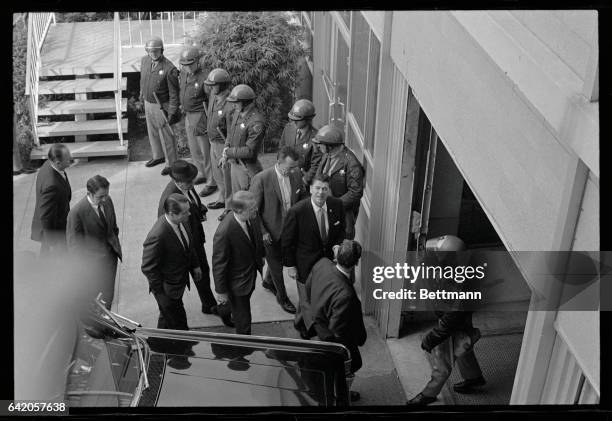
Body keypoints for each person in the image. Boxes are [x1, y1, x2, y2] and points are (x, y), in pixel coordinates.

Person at [407, 235, 485, 406]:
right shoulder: (461, 261)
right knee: (463, 345)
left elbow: (450, 322)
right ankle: (474, 378)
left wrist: (431, 339)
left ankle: (429, 394)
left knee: (441, 360)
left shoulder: (459, 282)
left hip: (452, 320)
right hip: (460, 316)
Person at [156, 160, 235, 327]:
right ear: (177, 181)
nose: (192, 184)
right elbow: (167, 228)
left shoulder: (185, 188)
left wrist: (200, 210)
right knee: (180, 287)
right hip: (184, 249)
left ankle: (208, 304)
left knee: (203, 273)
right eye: (189, 181)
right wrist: (190, 257)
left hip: (195, 241)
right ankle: (165, 324)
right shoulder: (170, 198)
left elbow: (192, 204)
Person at [281, 173, 345, 339]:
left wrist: (338, 246)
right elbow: (287, 241)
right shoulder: (297, 211)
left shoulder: (337, 205)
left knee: (322, 297)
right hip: (305, 265)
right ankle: (308, 328)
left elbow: (341, 231)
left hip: (329, 265)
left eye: (324, 189)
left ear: (329, 190)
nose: (320, 192)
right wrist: (290, 265)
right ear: (310, 189)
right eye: (317, 188)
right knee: (307, 299)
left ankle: (303, 321)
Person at [249, 147, 308, 314]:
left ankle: (268, 282)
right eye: (289, 167)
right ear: (279, 162)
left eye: (295, 167)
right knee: (276, 266)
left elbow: (302, 196)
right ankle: (282, 297)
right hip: (271, 233)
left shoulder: (296, 174)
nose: (293, 170)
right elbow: (253, 210)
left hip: (291, 230)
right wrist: (263, 232)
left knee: (282, 260)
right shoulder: (261, 179)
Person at [307, 240, 367, 402]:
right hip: (332, 340)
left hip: (317, 325)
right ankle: (340, 396)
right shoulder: (346, 294)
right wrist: (358, 339)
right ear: (356, 263)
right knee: (351, 365)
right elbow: (337, 330)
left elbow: (308, 287)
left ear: (336, 255)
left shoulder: (322, 264)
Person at [142, 194, 202, 330]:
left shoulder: (182, 222)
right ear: (171, 214)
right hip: (168, 289)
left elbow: (189, 246)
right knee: (178, 322)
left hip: (178, 283)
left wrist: (195, 265)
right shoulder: (158, 235)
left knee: (168, 317)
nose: (189, 214)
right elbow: (148, 267)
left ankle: (159, 342)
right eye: (185, 212)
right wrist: (162, 294)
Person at [212, 191, 265, 335]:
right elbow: (218, 264)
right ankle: (244, 343)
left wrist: (261, 256)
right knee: (243, 317)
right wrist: (221, 291)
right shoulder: (224, 232)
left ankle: (224, 310)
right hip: (237, 282)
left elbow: (256, 238)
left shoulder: (251, 216)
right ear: (239, 210)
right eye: (252, 208)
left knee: (236, 306)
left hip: (250, 273)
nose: (256, 210)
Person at [66, 175, 122, 309]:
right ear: (89, 193)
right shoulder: (76, 214)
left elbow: (113, 227)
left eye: (106, 195)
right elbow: (74, 248)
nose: (104, 200)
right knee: (95, 304)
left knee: (108, 298)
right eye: (100, 197)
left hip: (110, 260)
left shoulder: (107, 201)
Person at [178, 46, 217, 195]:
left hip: (200, 115)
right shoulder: (183, 74)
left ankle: (211, 181)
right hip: (188, 115)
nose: (187, 68)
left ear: (197, 62)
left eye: (190, 64)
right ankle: (201, 172)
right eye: (184, 65)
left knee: (205, 150)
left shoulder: (205, 77)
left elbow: (211, 100)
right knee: (194, 149)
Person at [313, 125, 364, 240]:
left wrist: (334, 204)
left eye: (320, 144)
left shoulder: (351, 163)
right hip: (324, 210)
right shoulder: (327, 155)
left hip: (343, 215)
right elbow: (319, 176)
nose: (318, 146)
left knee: (341, 245)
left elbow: (355, 192)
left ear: (329, 146)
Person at [140, 37, 180, 175]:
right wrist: (142, 96)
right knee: (152, 132)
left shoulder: (170, 69)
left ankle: (171, 162)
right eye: (150, 51)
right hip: (148, 102)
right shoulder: (144, 61)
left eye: (156, 51)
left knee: (166, 135)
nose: (153, 54)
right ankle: (158, 156)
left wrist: (172, 112)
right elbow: (143, 79)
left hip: (161, 104)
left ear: (161, 50)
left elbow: (174, 93)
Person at [221, 84, 265, 194]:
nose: (233, 105)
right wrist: (226, 148)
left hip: (246, 167)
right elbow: (230, 134)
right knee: (237, 198)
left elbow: (249, 151)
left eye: (236, 102)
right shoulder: (237, 113)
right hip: (235, 164)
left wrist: (228, 152)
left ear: (245, 103)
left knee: (248, 200)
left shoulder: (256, 123)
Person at [30, 143, 72, 256]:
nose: (71, 159)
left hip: (56, 224)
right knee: (57, 261)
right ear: (58, 162)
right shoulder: (51, 185)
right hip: (55, 232)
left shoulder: (49, 163)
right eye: (68, 159)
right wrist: (52, 242)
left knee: (47, 258)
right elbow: (46, 216)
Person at [203, 68, 234, 209]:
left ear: (222, 85)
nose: (210, 87)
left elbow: (232, 131)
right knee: (217, 175)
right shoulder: (213, 97)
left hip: (223, 144)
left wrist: (226, 151)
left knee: (226, 176)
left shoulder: (230, 104)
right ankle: (222, 199)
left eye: (213, 85)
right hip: (213, 141)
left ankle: (229, 206)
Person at [280, 99, 320, 185]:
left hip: (302, 180)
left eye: (297, 120)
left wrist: (304, 180)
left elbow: (315, 165)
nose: (294, 122)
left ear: (308, 119)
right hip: (285, 175)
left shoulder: (316, 138)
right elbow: (281, 149)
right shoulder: (288, 128)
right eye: (292, 119)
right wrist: (281, 166)